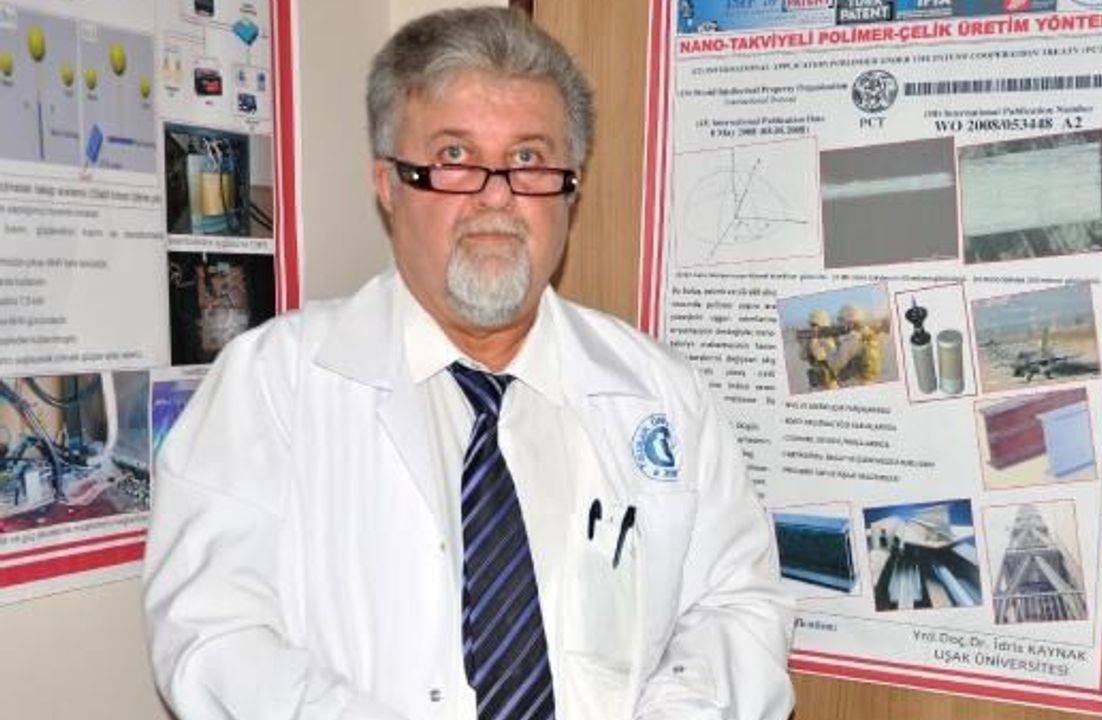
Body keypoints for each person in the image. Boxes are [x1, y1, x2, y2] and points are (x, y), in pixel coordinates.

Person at [142, 7, 794, 720]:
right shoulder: (272, 385)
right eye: (454, 156)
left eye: (528, 159)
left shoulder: (663, 393)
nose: (496, 197)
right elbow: (212, 635)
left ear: (570, 190)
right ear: (388, 183)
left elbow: (737, 606)